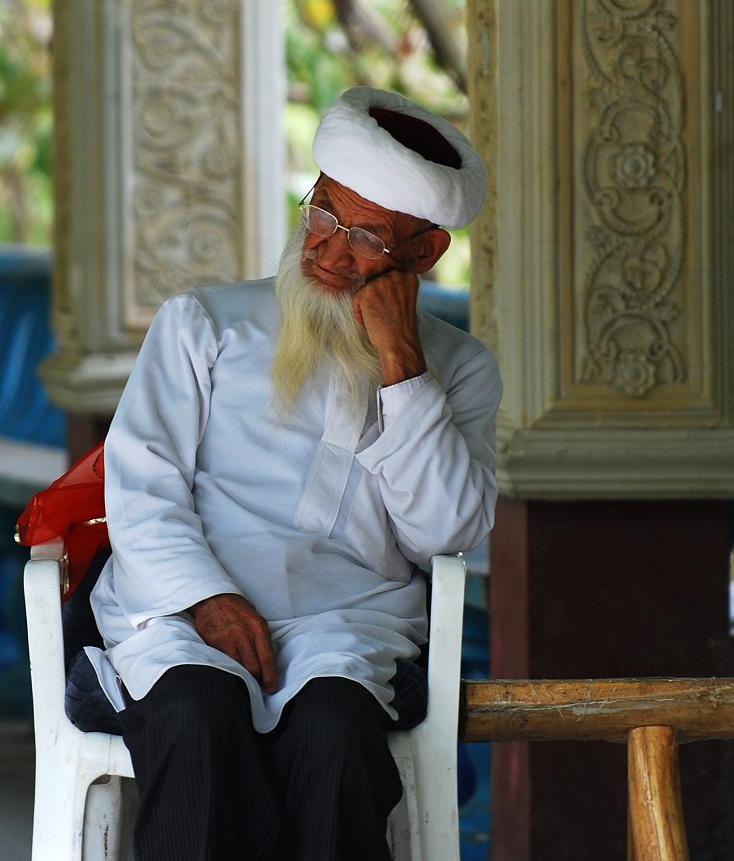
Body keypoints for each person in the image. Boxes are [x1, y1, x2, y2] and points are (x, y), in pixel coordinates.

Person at [84, 86, 501, 861]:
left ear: (425, 255)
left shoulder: (461, 370)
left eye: (366, 238)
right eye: (322, 214)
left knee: (337, 735)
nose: (327, 251)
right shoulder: (203, 323)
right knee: (195, 714)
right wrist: (208, 597)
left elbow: (447, 530)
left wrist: (404, 368)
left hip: (349, 628)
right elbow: (141, 487)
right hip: (183, 612)